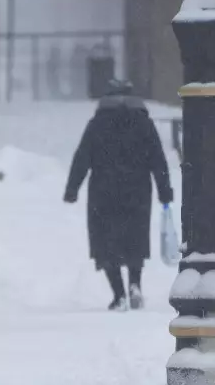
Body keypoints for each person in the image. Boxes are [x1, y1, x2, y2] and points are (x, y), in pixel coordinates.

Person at [63, 79, 173, 311]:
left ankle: (119, 294)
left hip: (104, 191)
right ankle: (135, 284)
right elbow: (158, 159)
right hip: (138, 190)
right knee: (135, 238)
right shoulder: (144, 123)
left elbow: (82, 156)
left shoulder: (97, 124)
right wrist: (165, 190)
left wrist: (72, 188)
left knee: (106, 242)